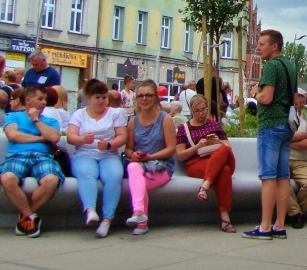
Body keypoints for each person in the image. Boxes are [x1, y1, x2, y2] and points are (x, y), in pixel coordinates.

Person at [243, 30, 296, 240]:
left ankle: (264, 227)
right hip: (286, 125)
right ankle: (279, 225)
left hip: (271, 125)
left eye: (262, 44)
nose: (258, 48)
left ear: (274, 46)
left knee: (268, 177)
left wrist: (254, 91)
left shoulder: (271, 66)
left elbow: (266, 97)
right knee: (283, 177)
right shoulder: (289, 66)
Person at [0, 84, 64, 237]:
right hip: (17, 156)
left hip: (42, 157)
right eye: (40, 99)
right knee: (7, 178)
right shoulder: (14, 117)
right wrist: (41, 138)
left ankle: (25, 217)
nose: (44, 103)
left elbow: (54, 137)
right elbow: (13, 136)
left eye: (45, 99)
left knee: (51, 180)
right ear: (28, 100)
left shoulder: (50, 121)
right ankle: (31, 216)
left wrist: (36, 120)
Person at [67, 78, 127, 237]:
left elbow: (122, 136)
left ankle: (107, 219)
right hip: (84, 153)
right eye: (97, 98)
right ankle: (90, 210)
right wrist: (82, 140)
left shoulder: (115, 114)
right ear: (89, 97)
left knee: (114, 176)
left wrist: (109, 144)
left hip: (108, 154)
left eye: (104, 97)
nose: (101, 101)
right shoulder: (79, 114)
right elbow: (71, 136)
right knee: (87, 173)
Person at [176, 94, 236, 232]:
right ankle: (225, 217)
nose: (201, 113)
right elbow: (180, 156)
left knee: (223, 150)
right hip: (195, 163)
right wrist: (198, 146)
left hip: (216, 158)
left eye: (203, 109)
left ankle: (205, 185)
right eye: (197, 110)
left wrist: (217, 141)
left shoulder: (214, 125)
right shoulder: (184, 128)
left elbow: (227, 148)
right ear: (191, 111)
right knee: (224, 171)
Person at [124, 80, 177, 235]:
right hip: (141, 166)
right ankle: (139, 214)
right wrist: (133, 154)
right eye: (140, 96)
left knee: (137, 181)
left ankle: (140, 220)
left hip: (162, 166)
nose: (144, 99)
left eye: (148, 95)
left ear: (156, 98)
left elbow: (171, 149)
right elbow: (128, 149)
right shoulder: (133, 122)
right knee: (133, 166)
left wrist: (150, 157)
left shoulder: (165, 119)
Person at [286, 88, 307, 229]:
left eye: (298, 97)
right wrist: (301, 136)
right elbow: (278, 138)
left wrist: (287, 141)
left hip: (301, 163)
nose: (294, 100)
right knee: (280, 181)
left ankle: (293, 213)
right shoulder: (283, 117)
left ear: (303, 101)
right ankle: (296, 215)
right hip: (282, 159)